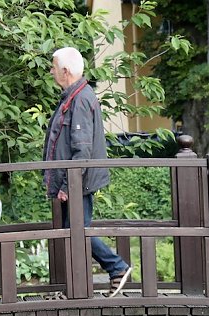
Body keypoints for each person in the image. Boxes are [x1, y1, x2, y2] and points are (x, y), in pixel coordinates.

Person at [43, 47, 132, 297]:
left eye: (53, 67)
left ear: (65, 70)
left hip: (76, 182)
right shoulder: (74, 96)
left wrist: (65, 187)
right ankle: (76, 289)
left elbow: (81, 150)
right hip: (74, 181)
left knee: (78, 231)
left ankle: (116, 267)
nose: (51, 72)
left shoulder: (80, 99)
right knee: (75, 232)